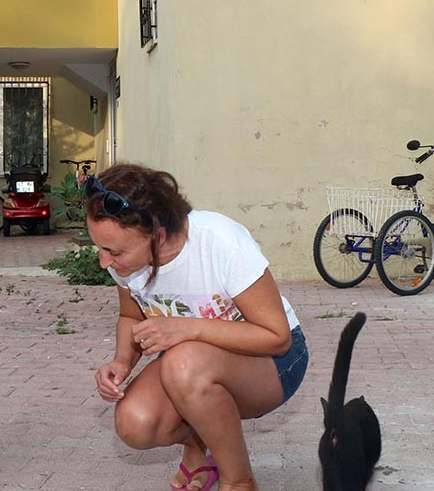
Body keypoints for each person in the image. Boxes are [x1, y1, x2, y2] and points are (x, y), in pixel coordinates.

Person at [87, 164, 308, 491]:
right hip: (192, 365)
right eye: (100, 248)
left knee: (183, 363)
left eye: (113, 251)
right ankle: (205, 446)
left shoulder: (220, 241)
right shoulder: (127, 263)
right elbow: (131, 317)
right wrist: (121, 361)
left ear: (158, 236)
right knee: (136, 423)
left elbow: (276, 337)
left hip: (276, 363)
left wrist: (185, 328)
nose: (104, 262)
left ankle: (239, 481)